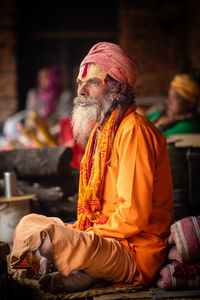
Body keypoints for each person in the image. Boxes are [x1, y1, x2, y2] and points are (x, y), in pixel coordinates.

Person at [10, 42, 173, 293]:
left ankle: (78, 266)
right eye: (79, 83)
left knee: (52, 240)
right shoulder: (101, 132)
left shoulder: (134, 130)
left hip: (133, 250)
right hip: (101, 238)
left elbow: (132, 217)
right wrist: (83, 231)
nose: (81, 91)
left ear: (118, 89)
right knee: (28, 224)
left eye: (92, 82)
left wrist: (86, 235)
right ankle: (83, 270)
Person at [146, 70, 200, 136]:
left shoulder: (189, 126)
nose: (168, 102)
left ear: (191, 104)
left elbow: (152, 139)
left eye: (175, 98)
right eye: (169, 97)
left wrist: (160, 126)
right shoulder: (160, 113)